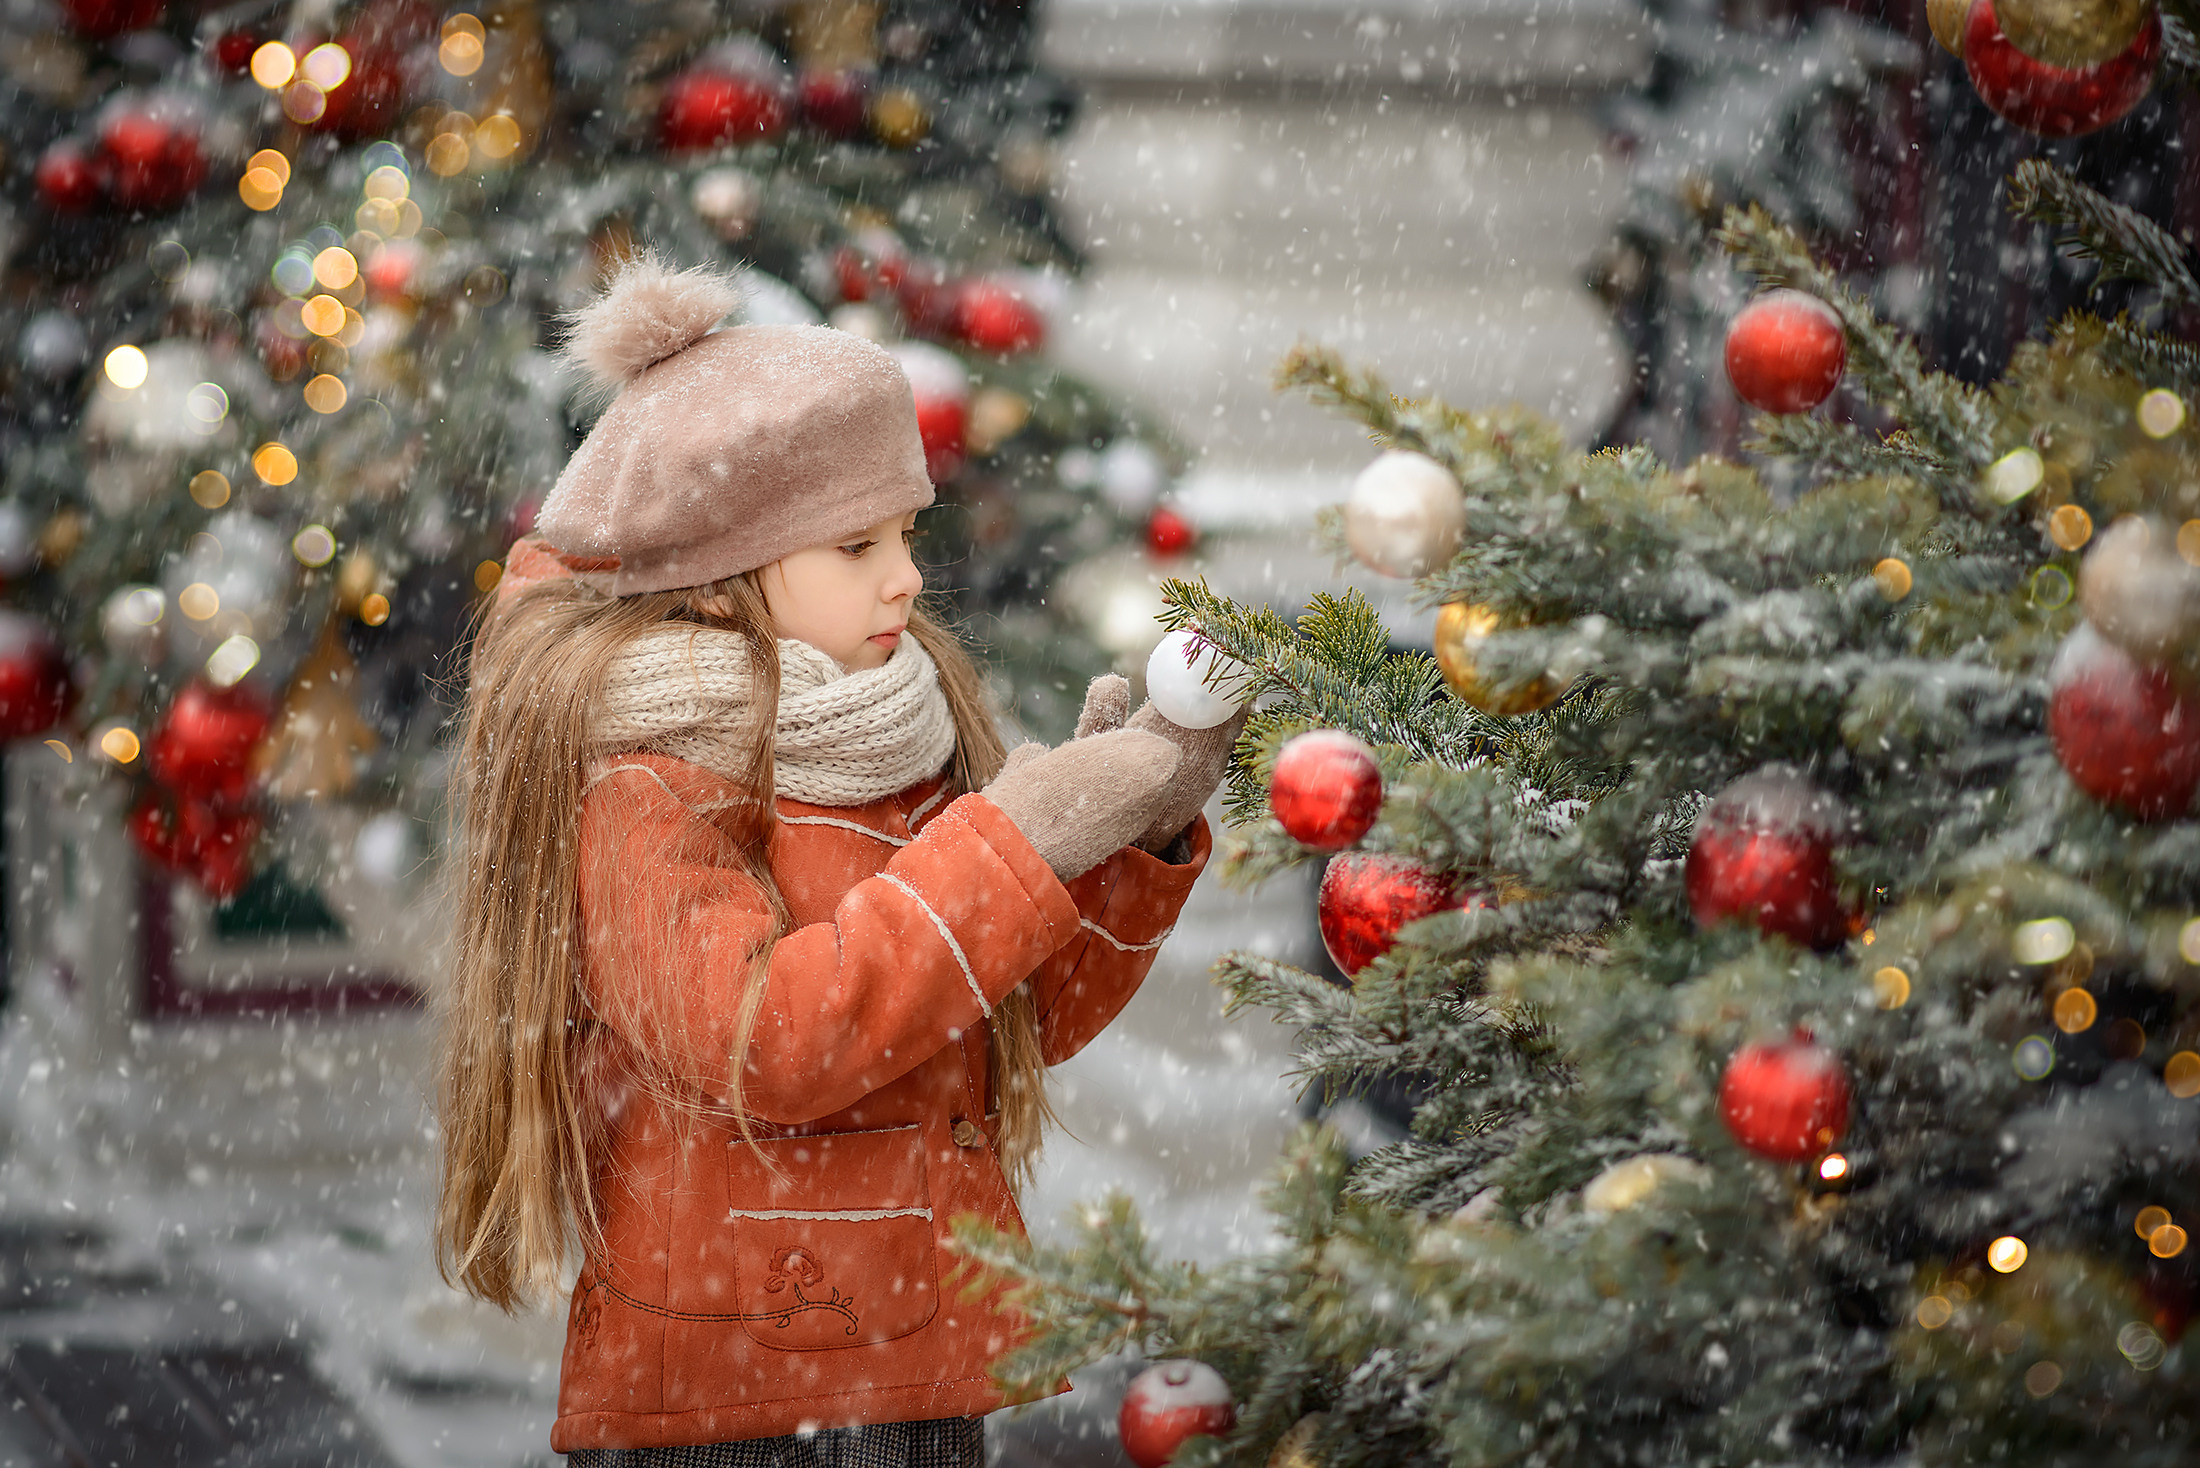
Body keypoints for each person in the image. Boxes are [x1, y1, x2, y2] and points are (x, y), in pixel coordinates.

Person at [433, 254, 1238, 1466]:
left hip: (916, 1355)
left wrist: (1129, 833)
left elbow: (1016, 1016)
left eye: (905, 530)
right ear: (723, 568)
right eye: (854, 541)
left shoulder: (896, 723)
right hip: (744, 1388)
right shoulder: (645, 774)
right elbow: (769, 1039)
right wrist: (1017, 838)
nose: (905, 575)